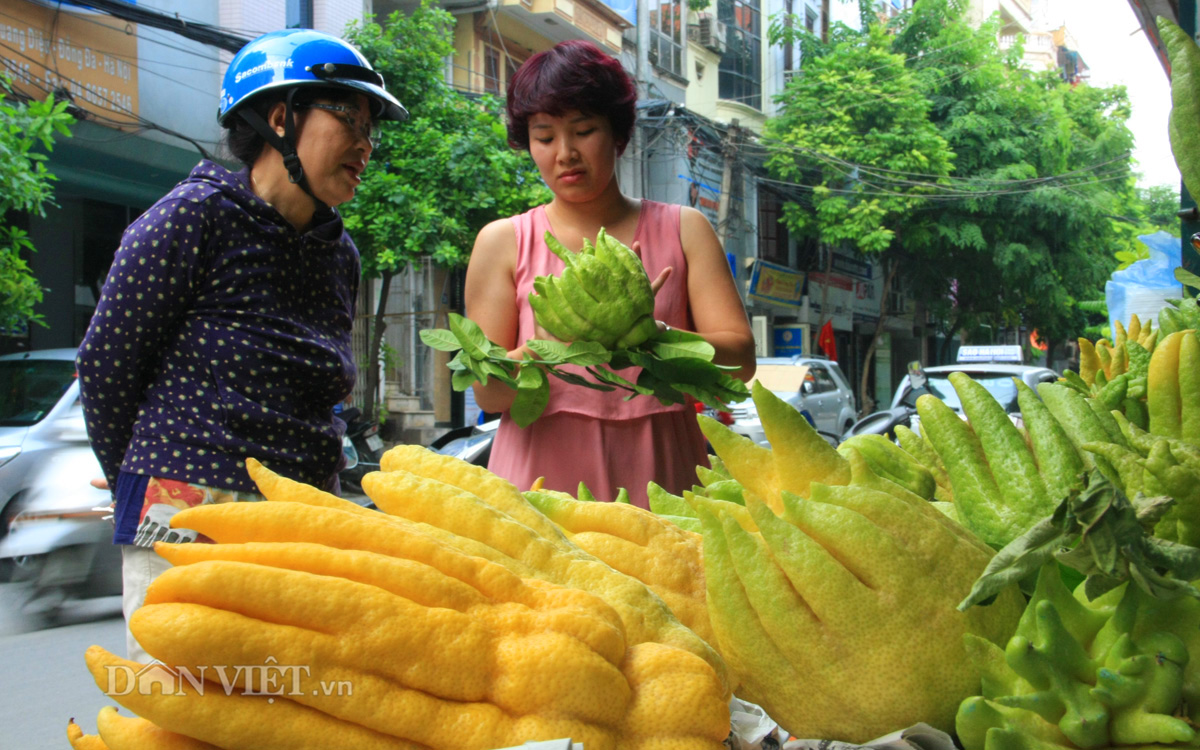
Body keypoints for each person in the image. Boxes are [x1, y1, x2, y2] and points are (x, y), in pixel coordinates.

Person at [77, 29, 407, 662]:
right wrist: (147, 476)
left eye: (372, 130)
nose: (365, 145)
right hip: (185, 519)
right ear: (281, 119)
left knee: (289, 717)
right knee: (189, 715)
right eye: (348, 118)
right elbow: (106, 364)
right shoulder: (192, 216)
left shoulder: (340, 254)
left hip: (301, 523)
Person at [465, 40, 756, 508]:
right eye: (544, 137)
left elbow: (741, 363)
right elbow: (490, 392)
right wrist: (549, 347)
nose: (565, 153)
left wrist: (652, 336)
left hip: (662, 484)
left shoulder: (685, 231)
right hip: (538, 493)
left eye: (583, 130)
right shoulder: (503, 242)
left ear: (617, 134)